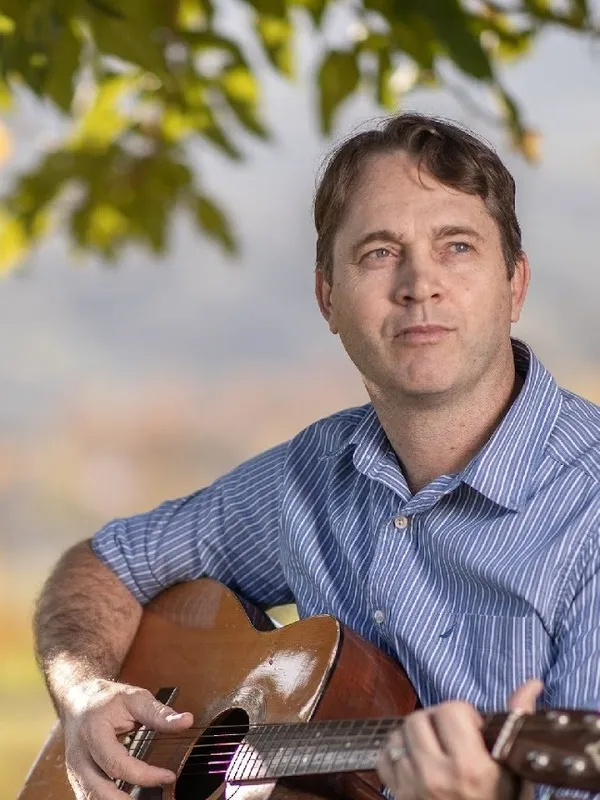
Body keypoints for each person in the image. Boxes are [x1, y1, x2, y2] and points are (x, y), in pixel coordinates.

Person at [34, 113, 600, 800]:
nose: (419, 284)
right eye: (379, 253)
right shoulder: (309, 473)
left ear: (515, 284)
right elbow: (106, 565)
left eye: (457, 246)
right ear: (327, 297)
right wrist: (85, 692)